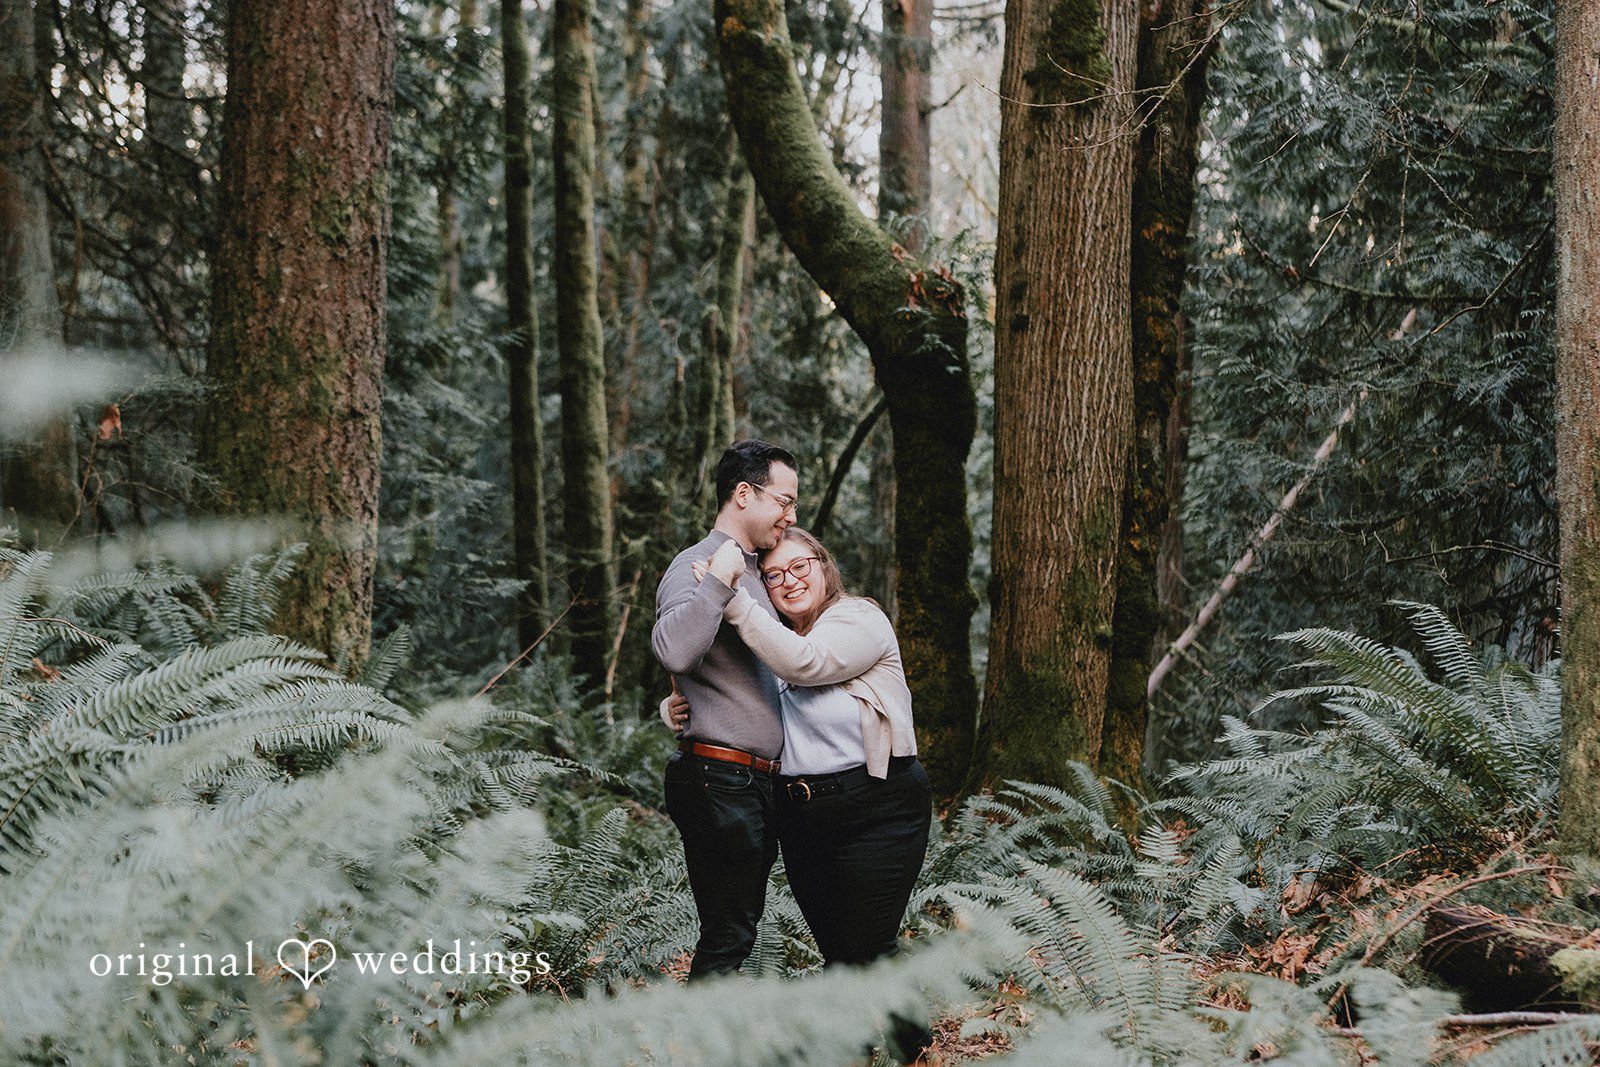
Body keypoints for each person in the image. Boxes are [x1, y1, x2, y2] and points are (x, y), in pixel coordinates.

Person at [665, 526, 932, 970]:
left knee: (869, 947)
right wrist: (674, 708)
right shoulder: (770, 643)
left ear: (825, 567)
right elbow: (743, 704)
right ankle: (852, 1040)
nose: (788, 580)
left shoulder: (858, 619)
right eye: (772, 576)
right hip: (803, 817)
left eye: (799, 566)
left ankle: (909, 1041)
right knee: (838, 950)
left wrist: (730, 598)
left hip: (878, 806)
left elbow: (808, 663)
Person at [650, 439, 800, 979]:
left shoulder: (769, 574)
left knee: (738, 928)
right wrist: (717, 579)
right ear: (744, 493)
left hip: (760, 785)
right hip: (720, 780)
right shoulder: (692, 565)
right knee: (728, 932)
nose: (791, 515)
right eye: (784, 501)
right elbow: (673, 649)